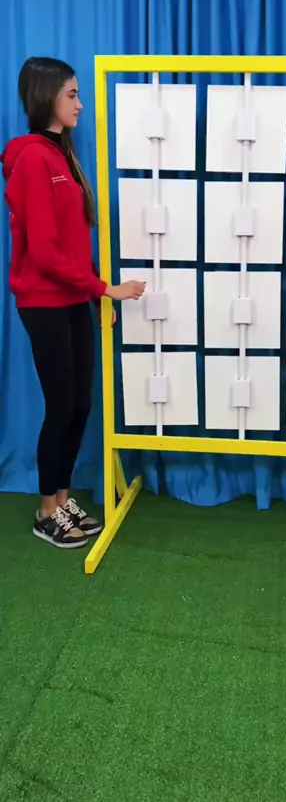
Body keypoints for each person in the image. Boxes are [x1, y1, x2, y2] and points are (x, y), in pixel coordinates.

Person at [0, 56, 146, 550]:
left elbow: (72, 241)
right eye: (72, 95)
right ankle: (47, 511)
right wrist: (105, 289)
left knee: (80, 403)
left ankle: (63, 500)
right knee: (61, 403)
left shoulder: (61, 156)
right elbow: (44, 252)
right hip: (44, 300)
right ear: (47, 97)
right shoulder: (31, 158)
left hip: (71, 296)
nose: (80, 104)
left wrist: (91, 290)